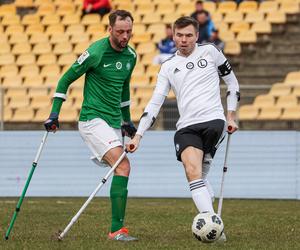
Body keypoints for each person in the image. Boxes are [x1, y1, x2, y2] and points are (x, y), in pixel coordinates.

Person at [127, 16, 240, 241]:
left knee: (197, 175)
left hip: (213, 122)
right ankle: (215, 228)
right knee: (195, 174)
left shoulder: (211, 52)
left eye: (189, 35)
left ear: (197, 36)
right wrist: (138, 135)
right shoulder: (168, 66)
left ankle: (212, 226)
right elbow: (155, 103)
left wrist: (231, 115)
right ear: (173, 36)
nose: (184, 40)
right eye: (179, 35)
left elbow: (232, 83)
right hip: (186, 127)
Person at [44, 10, 138, 241]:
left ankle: (117, 229)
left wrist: (126, 120)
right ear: (110, 30)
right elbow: (65, 79)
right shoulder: (96, 52)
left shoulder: (131, 56)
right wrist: (54, 114)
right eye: (120, 32)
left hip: (113, 121)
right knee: (123, 165)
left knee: (120, 168)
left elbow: (124, 89)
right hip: (92, 120)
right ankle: (117, 231)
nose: (125, 36)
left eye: (128, 31)